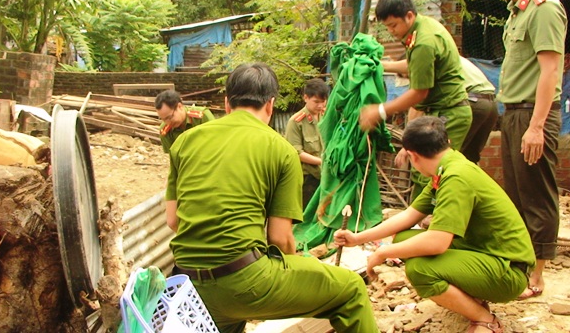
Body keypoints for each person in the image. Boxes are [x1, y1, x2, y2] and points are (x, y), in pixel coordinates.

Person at [165, 63, 378, 333]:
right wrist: (289, 273)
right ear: (270, 104)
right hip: (246, 281)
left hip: (187, 286)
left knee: (229, 320)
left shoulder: (184, 141)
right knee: (351, 288)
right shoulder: (281, 149)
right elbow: (280, 238)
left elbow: (173, 220)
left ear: (227, 102)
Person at [335, 116, 535, 333]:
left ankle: (485, 320)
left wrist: (382, 253)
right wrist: (358, 238)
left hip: (508, 271)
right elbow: (410, 215)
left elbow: (438, 243)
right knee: (404, 239)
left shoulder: (456, 178)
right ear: (446, 143)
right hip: (487, 254)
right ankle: (472, 297)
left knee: (421, 270)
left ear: (412, 155)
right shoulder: (448, 166)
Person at [488, 0, 567, 300]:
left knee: (537, 192)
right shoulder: (517, 12)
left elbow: (550, 69)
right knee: (518, 193)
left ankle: (537, 275)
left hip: (535, 113)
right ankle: (521, 263)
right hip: (514, 113)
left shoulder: (544, 8)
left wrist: (536, 126)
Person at [360, 0, 472, 200]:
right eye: (387, 27)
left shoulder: (423, 42)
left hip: (450, 111)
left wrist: (381, 111)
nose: (391, 31)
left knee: (433, 172)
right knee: (426, 173)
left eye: (394, 25)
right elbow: (413, 66)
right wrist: (379, 66)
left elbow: (419, 93)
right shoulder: (421, 29)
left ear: (409, 15)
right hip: (441, 110)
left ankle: (432, 225)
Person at [284, 78, 329, 208]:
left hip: (325, 177)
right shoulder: (296, 122)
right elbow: (296, 153)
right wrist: (322, 161)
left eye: (323, 101)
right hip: (307, 179)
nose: (320, 106)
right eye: (316, 102)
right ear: (306, 98)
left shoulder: (326, 117)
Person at [459, 56, 499, 164]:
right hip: (491, 103)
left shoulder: (422, 56)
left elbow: (420, 100)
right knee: (469, 158)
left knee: (443, 154)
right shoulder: (457, 57)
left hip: (472, 102)